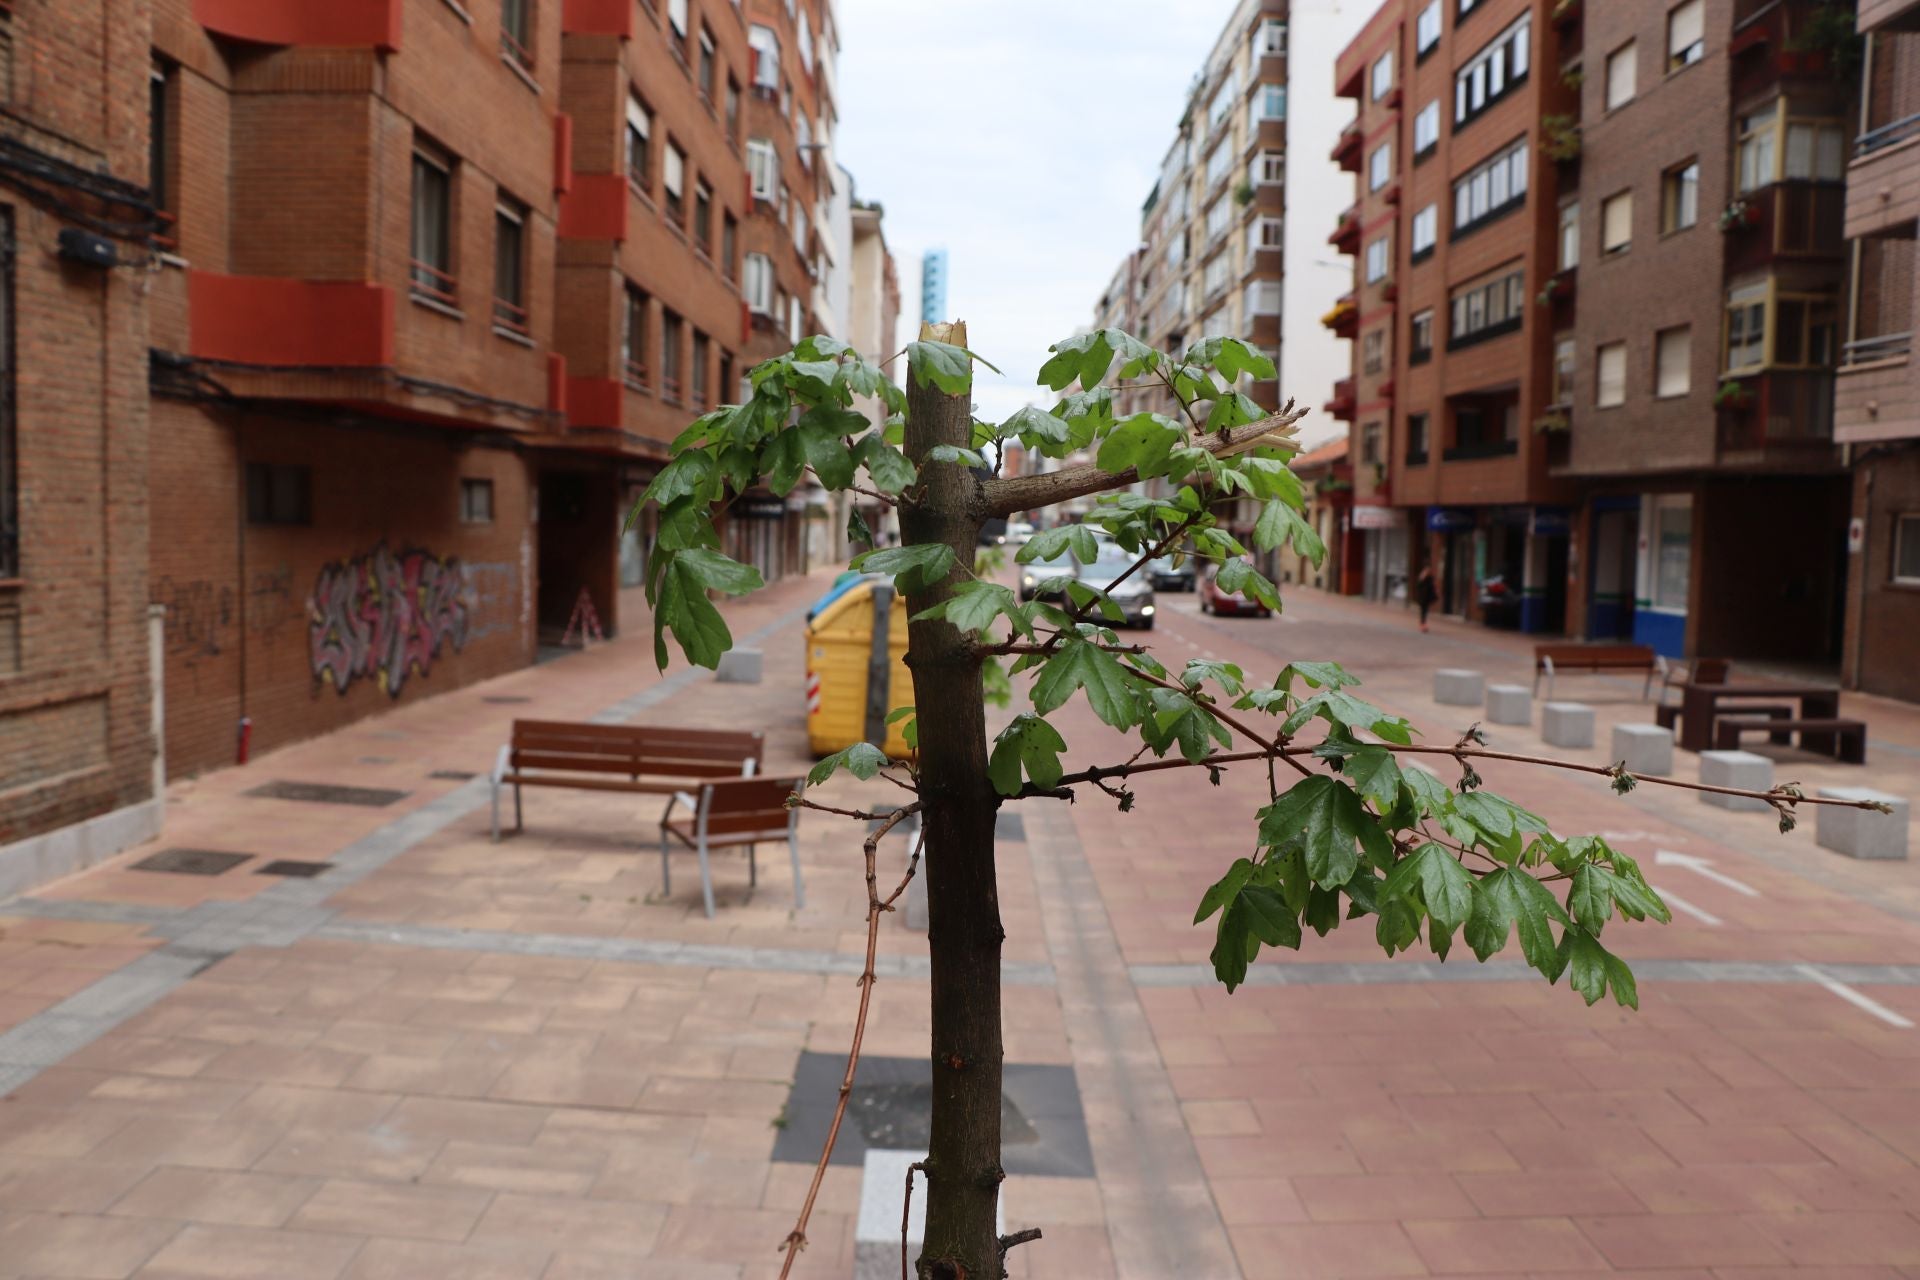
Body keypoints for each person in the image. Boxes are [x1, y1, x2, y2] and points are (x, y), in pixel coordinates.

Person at [1415, 564, 1437, 633]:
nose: (1427, 572)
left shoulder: (1430, 578)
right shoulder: (1422, 578)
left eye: (1428, 570)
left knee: (1425, 611)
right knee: (1423, 611)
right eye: (1426, 570)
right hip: (1422, 597)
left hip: (1427, 598)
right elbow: (1418, 586)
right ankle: (1423, 625)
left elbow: (1432, 587)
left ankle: (1423, 624)